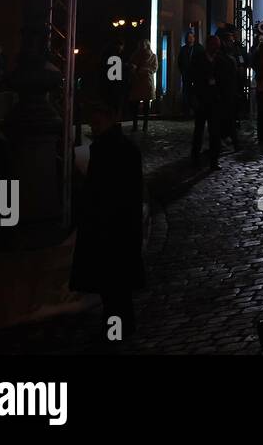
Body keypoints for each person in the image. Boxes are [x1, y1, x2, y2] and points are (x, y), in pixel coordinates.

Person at [70, 98, 145, 342]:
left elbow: (108, 191)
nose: (94, 122)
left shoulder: (111, 149)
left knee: (113, 286)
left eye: (99, 116)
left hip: (110, 226)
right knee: (115, 286)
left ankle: (116, 329)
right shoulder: (113, 147)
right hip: (116, 225)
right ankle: (121, 325)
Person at [189, 35, 231, 169]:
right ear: (209, 45)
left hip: (215, 100)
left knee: (215, 131)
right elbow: (192, 77)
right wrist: (194, 97)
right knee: (199, 130)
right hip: (202, 98)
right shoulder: (198, 58)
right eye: (214, 45)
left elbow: (224, 80)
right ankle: (195, 157)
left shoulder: (220, 60)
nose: (217, 48)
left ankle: (214, 160)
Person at [127, 39, 156, 132]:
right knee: (141, 104)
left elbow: (154, 68)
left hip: (142, 81)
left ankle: (140, 125)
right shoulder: (137, 55)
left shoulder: (137, 55)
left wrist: (140, 71)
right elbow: (154, 68)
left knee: (141, 104)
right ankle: (142, 125)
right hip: (143, 81)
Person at [177, 32, 200, 114]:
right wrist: (182, 71)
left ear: (194, 38)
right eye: (188, 37)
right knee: (186, 91)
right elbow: (179, 61)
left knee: (194, 92)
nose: (190, 39)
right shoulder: (183, 49)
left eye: (191, 37)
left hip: (196, 75)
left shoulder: (198, 48)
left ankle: (194, 109)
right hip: (186, 74)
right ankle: (186, 110)